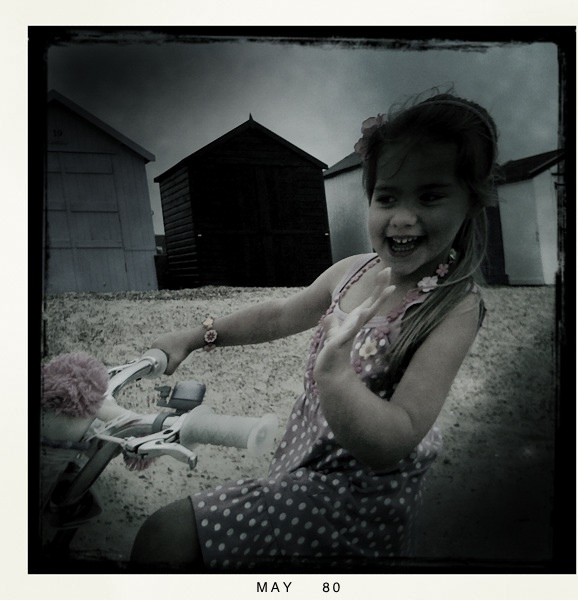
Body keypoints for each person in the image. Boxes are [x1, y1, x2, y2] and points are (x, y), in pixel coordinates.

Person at [130, 90, 499, 572]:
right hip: (302, 466)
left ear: (472, 203)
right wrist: (197, 335)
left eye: (430, 196)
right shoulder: (351, 270)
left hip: (355, 505)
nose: (403, 217)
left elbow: (397, 437)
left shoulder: (453, 306)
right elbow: (279, 315)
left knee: (166, 536)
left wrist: (336, 378)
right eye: (387, 196)